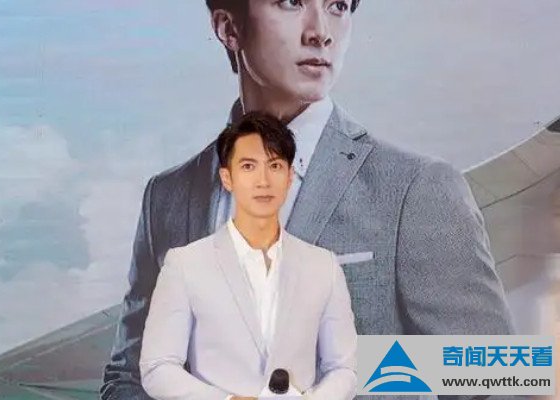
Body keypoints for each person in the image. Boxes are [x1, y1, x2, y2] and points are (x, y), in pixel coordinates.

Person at [101, 1, 514, 399]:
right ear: (228, 27)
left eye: (338, 6)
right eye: (291, 2)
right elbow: (129, 377)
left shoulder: (416, 187)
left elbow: (495, 380)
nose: (320, 33)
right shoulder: (167, 196)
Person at [139, 112, 357, 400]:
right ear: (227, 178)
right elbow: (157, 368)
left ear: (289, 177)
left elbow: (344, 368)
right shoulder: (185, 265)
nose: (263, 180)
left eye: (275, 166)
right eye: (248, 166)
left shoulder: (323, 266)